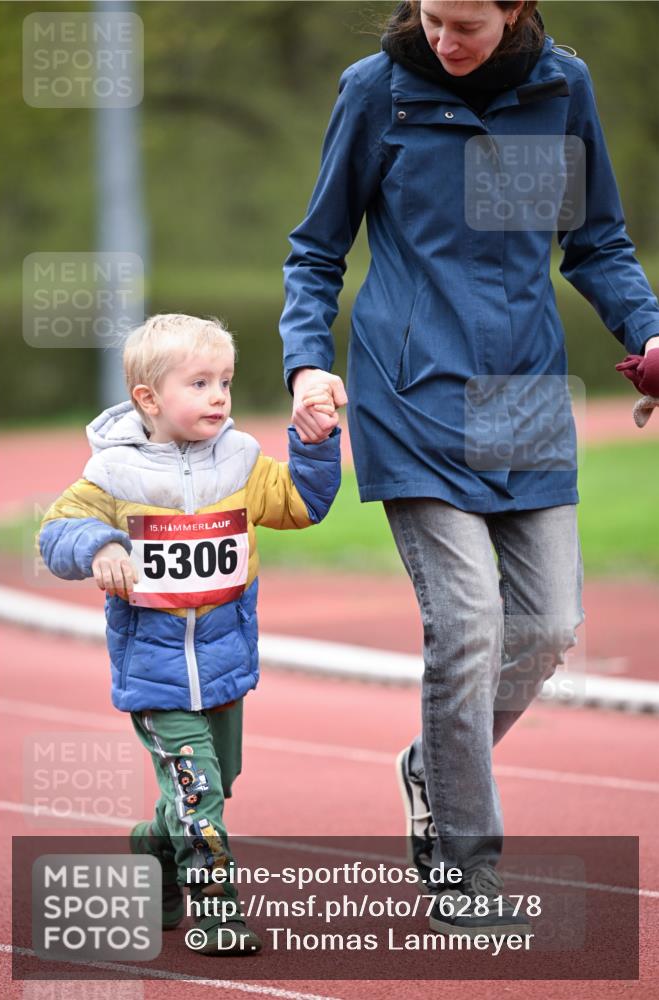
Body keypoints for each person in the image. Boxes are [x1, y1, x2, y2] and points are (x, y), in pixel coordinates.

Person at [280, 0, 659, 938]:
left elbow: (598, 242)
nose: (445, 39)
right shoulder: (377, 93)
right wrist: (304, 359)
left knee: (550, 624)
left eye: (467, 25)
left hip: (522, 390)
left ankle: (432, 767)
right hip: (408, 390)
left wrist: (650, 332)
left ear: (517, 13)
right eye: (432, 17)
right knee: (467, 624)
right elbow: (316, 249)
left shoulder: (560, 88)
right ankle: (463, 863)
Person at [38, 313, 341, 956]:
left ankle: (152, 847)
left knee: (213, 782)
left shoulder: (241, 460)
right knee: (200, 793)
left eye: (224, 382)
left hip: (226, 665)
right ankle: (218, 913)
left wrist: (315, 442)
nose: (218, 397)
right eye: (199, 383)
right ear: (148, 398)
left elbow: (304, 504)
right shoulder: (113, 473)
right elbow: (56, 532)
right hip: (156, 676)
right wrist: (97, 548)